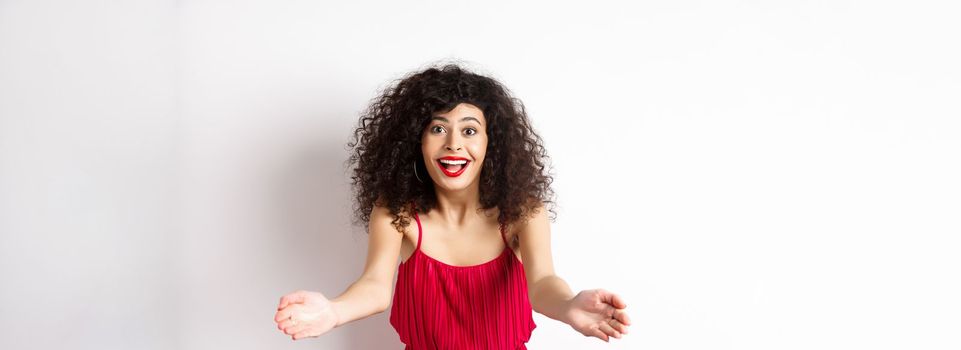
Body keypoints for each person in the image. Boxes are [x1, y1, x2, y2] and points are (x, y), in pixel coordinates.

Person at [273, 63, 631, 348]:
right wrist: (333, 311)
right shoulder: (396, 215)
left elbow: (543, 284)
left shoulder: (523, 214)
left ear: (493, 143)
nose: (454, 145)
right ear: (417, 139)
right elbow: (375, 288)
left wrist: (569, 306)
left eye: (470, 130)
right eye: (438, 129)